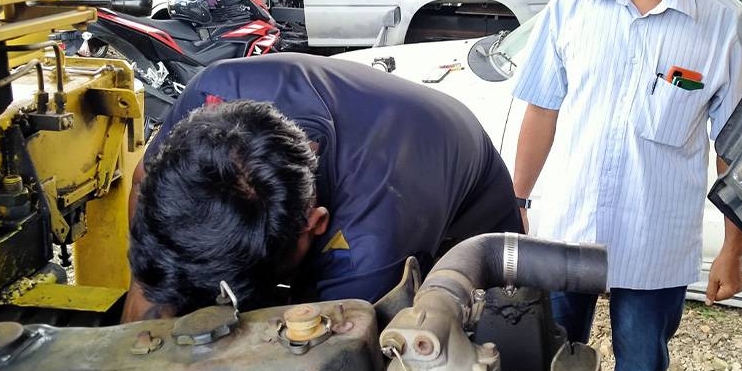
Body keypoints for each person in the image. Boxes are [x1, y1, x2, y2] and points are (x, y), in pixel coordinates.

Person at [511, 0, 742, 371]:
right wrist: (516, 199)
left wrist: (735, 250)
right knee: (549, 366)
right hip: (567, 233)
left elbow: (734, 149)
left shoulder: (723, 26)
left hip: (656, 242)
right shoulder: (571, 10)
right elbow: (540, 111)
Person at [122, 52, 523, 321]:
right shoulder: (213, 95)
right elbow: (143, 185)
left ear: (315, 225)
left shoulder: (371, 243)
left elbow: (331, 359)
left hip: (459, 212)